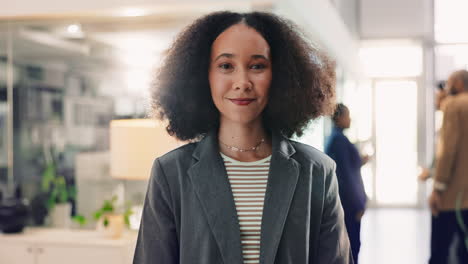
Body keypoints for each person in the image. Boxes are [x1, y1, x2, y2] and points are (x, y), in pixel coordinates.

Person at [133, 11, 352, 264]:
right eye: (226, 66)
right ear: (204, 76)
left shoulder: (317, 172)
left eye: (257, 66)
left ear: (280, 74)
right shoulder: (171, 173)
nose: (242, 82)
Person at [429, 69, 468, 263]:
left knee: (440, 252)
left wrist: (438, 188)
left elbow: (448, 149)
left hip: (453, 197)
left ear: (459, 84)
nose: (446, 88)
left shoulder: (453, 105)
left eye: (449, 83)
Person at [325, 103, 368, 264]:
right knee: (351, 245)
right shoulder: (339, 140)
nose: (350, 119)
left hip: (346, 202)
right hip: (348, 204)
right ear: (339, 118)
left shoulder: (337, 138)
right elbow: (346, 176)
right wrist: (358, 204)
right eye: (347, 116)